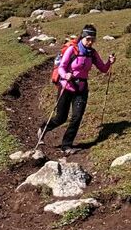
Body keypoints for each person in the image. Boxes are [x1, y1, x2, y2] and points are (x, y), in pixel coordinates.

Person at [38, 24, 115, 153]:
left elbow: (103, 69)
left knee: (77, 117)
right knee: (61, 118)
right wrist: (65, 75)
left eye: (93, 39)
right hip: (66, 86)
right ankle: (43, 129)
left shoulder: (93, 54)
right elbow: (62, 67)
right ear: (83, 37)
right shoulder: (72, 50)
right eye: (88, 39)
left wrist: (109, 62)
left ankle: (66, 145)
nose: (90, 42)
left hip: (82, 88)